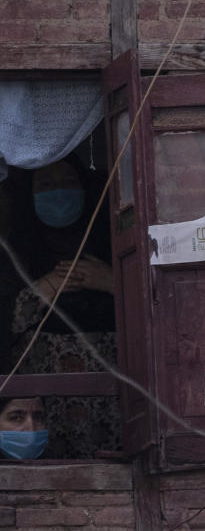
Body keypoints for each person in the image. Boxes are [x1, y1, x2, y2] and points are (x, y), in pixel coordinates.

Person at [9, 159, 120, 459]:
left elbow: (155, 311)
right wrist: (41, 290)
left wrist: (113, 282)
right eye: (45, 185)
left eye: (69, 182)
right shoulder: (15, 253)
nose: (58, 192)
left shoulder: (117, 246)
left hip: (112, 399)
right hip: (44, 399)